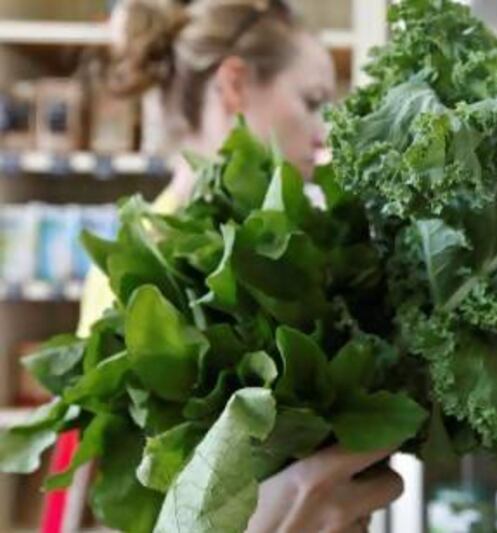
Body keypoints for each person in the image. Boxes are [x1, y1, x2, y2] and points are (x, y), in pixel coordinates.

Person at [76, 1, 404, 531]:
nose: (323, 134)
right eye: (312, 101)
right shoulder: (136, 270)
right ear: (234, 84)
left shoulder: (295, 245)